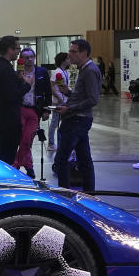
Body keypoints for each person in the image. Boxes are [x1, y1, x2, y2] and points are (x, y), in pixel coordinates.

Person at [54, 39, 101, 192]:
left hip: (77, 120)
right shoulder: (85, 69)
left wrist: (70, 109)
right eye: (70, 51)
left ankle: (64, 195)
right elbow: (83, 95)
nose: (70, 54)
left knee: (62, 159)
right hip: (78, 118)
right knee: (84, 159)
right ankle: (89, 192)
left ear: (84, 53)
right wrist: (68, 92)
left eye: (74, 51)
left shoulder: (89, 71)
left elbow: (93, 99)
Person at [0, 36, 31, 165]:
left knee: (0, 156)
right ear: (9, 49)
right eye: (17, 48)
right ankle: (5, 184)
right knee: (7, 159)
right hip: (9, 122)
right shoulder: (6, 69)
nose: (19, 52)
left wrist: (16, 80)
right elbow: (12, 96)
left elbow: (0, 91)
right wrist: (27, 85)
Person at [13, 48, 51, 179]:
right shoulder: (17, 73)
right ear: (22, 59)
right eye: (26, 57)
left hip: (35, 110)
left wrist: (47, 110)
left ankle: (16, 164)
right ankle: (29, 166)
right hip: (20, 109)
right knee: (21, 139)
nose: (29, 60)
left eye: (31, 57)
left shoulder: (42, 72)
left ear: (34, 57)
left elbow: (48, 91)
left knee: (27, 139)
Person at [48, 52, 70, 152]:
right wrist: (58, 96)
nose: (70, 60)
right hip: (58, 101)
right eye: (68, 58)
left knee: (62, 124)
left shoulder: (65, 72)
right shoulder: (57, 72)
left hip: (64, 100)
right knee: (54, 123)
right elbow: (52, 86)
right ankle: (51, 143)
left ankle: (60, 143)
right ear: (63, 60)